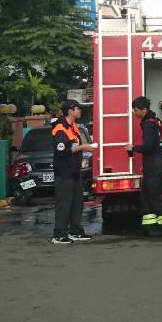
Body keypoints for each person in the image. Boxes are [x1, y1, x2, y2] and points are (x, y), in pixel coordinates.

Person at [51, 100, 96, 245]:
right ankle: (59, 235)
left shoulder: (73, 126)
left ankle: (75, 232)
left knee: (77, 204)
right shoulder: (60, 128)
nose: (80, 111)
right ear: (70, 111)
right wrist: (83, 147)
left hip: (74, 171)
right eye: (78, 108)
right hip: (64, 173)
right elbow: (62, 151)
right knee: (64, 204)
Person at [129, 96, 162, 233]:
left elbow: (148, 147)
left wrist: (133, 147)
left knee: (156, 196)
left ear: (144, 110)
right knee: (147, 195)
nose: (134, 113)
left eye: (136, 110)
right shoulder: (155, 121)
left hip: (154, 166)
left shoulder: (148, 125)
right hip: (156, 163)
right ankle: (151, 227)